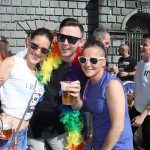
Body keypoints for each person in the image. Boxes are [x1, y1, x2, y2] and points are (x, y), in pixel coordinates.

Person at [27, 18, 86, 150]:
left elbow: (78, 106)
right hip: (33, 127)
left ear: (81, 42)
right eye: (61, 37)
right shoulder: (44, 55)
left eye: (71, 39)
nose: (65, 43)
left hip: (62, 130)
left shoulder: (84, 67)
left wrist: (75, 98)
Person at [0, 28, 54, 149]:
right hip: (8, 135)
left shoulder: (39, 73)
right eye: (35, 46)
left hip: (23, 135)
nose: (38, 52)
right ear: (28, 42)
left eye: (44, 50)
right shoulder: (12, 63)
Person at [78, 39, 134, 149]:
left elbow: (118, 127)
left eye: (93, 60)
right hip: (99, 142)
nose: (87, 64)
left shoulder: (111, 85)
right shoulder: (89, 82)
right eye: (83, 59)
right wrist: (90, 135)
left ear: (103, 62)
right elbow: (94, 112)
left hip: (117, 145)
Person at [130, 33, 150, 150]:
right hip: (136, 107)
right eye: (141, 44)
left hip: (147, 113)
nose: (141, 46)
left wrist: (142, 117)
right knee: (126, 134)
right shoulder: (140, 64)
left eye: (145, 45)